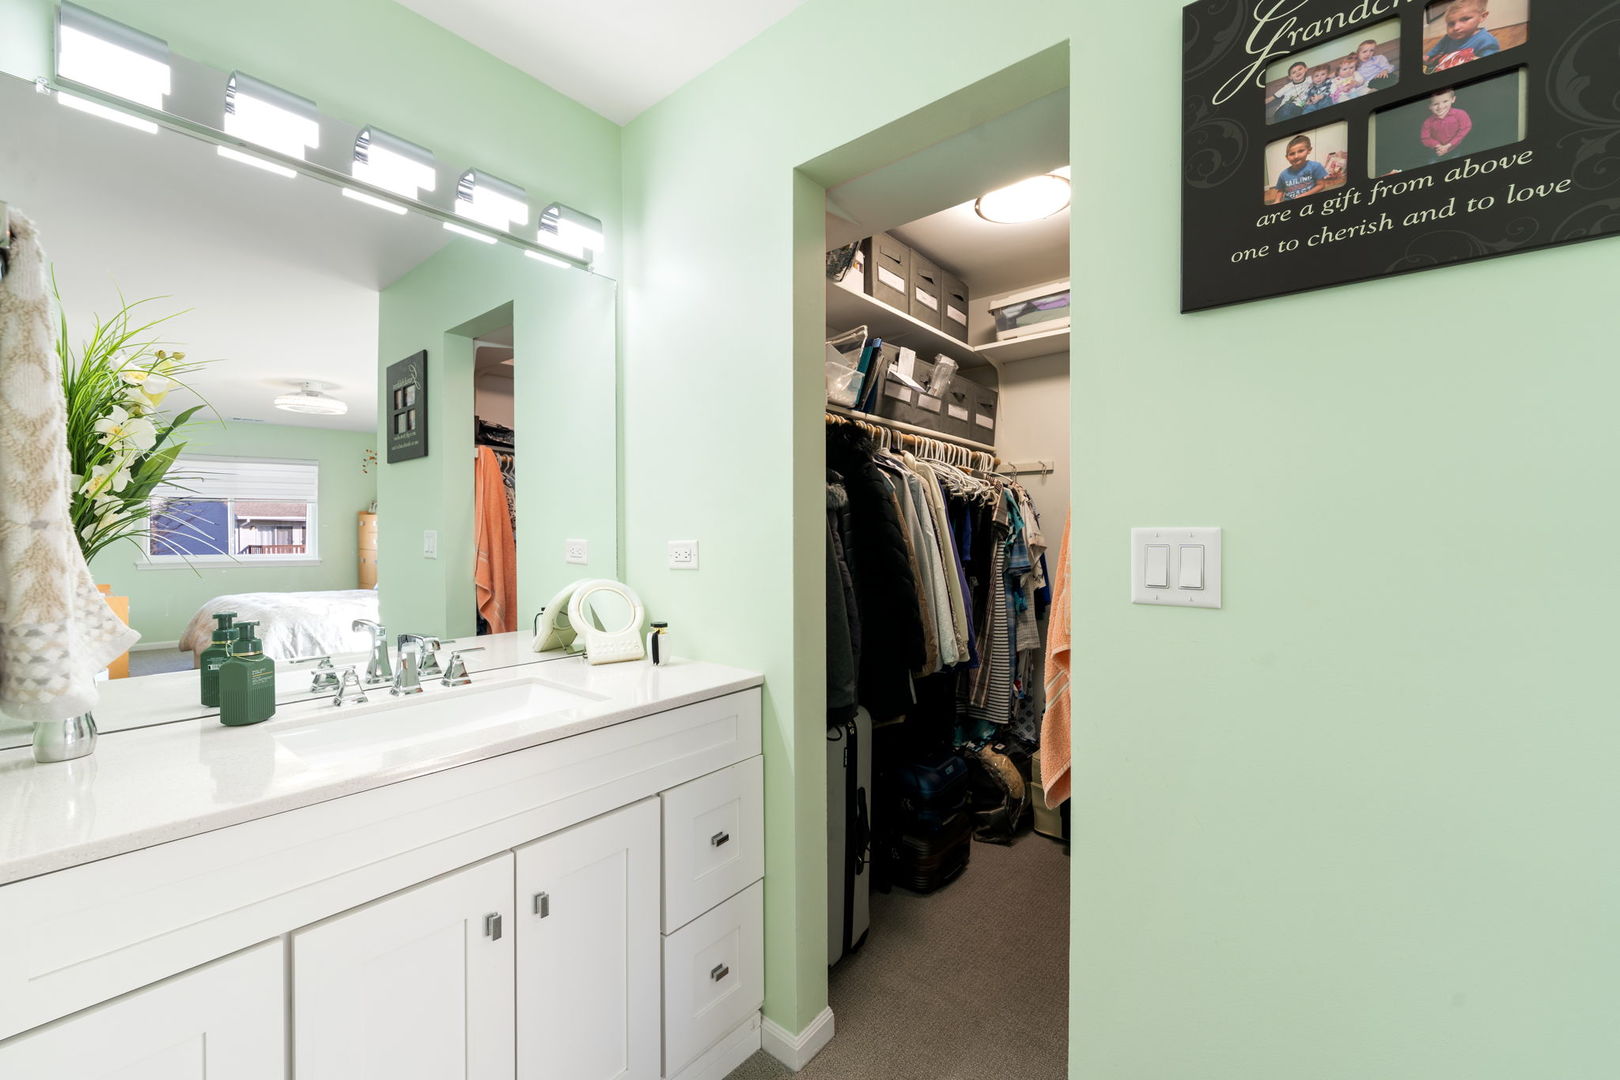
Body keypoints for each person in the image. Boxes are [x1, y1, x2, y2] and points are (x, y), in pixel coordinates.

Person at [1424, 0, 1500, 73]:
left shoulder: (1486, 41)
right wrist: (1429, 55)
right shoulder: (1448, 37)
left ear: (1482, 16)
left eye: (1465, 19)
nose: (1456, 28)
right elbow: (1438, 47)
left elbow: (1490, 65)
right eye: (1451, 23)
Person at [1420, 88, 1472, 159]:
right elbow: (1425, 138)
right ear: (1429, 106)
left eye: (1445, 101)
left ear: (1453, 99)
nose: (1441, 107)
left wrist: (1449, 145)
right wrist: (1438, 146)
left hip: (1455, 148)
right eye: (1435, 104)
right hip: (1436, 150)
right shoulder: (1428, 122)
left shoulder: (1460, 114)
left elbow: (1465, 128)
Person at [1275, 135, 1329, 201]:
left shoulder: (1316, 166)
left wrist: (1303, 196)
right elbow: (1280, 190)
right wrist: (1277, 201)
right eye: (1292, 154)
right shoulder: (1283, 174)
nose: (1296, 156)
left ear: (1309, 150)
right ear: (1287, 157)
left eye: (1301, 151)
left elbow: (1321, 185)